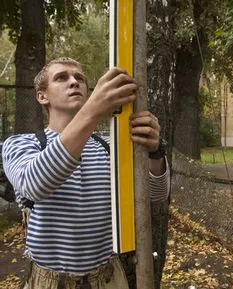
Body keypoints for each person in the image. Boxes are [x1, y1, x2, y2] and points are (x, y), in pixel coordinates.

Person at [2, 57, 170, 289]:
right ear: (42, 96)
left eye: (79, 78)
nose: (74, 82)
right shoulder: (20, 144)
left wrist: (155, 153)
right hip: (49, 282)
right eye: (62, 77)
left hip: (109, 278)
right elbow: (34, 184)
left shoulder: (110, 145)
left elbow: (156, 196)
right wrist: (92, 112)